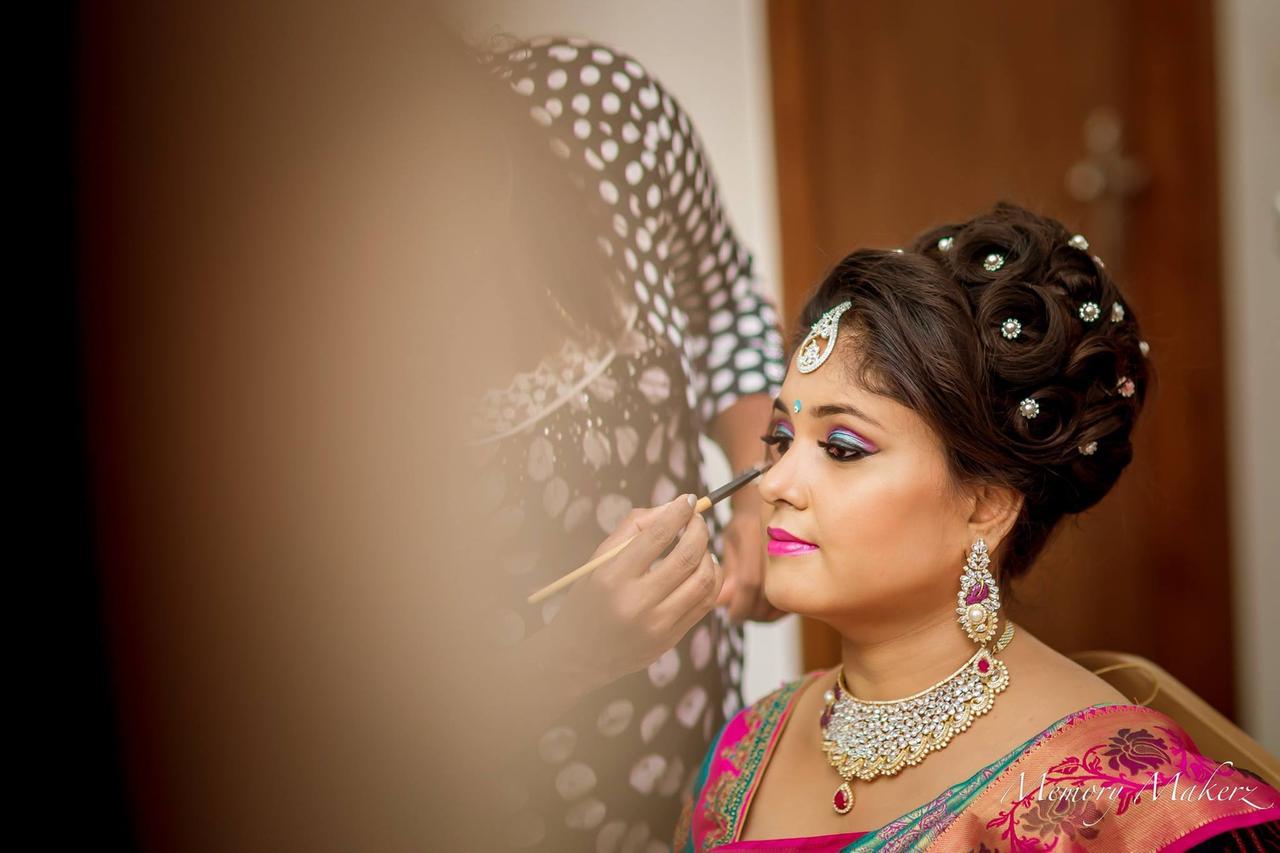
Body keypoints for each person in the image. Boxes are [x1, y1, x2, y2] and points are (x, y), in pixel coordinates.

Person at [674, 204, 1280, 851]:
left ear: (986, 505)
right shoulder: (746, 752)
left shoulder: (1123, 798)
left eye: (843, 446)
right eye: (779, 438)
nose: (773, 484)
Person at [441, 34, 787, 851]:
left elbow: (722, 301)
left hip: (699, 752)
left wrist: (755, 496)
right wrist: (565, 660)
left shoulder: (605, 117)